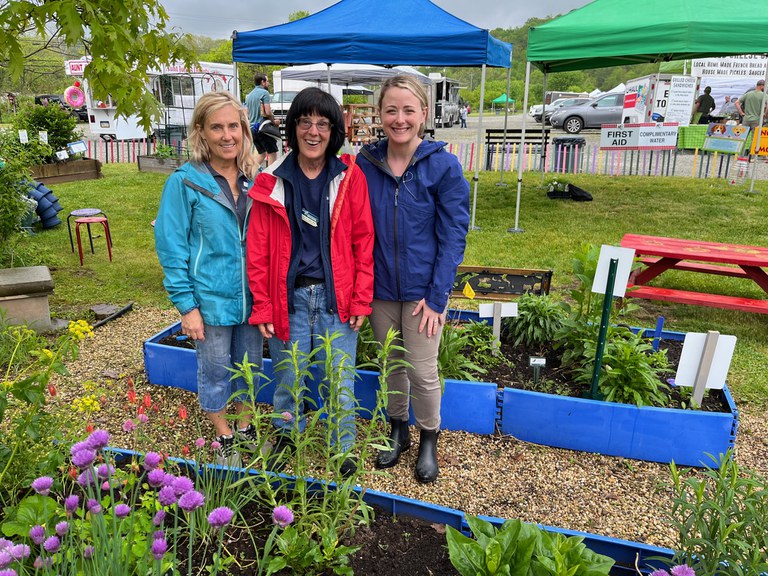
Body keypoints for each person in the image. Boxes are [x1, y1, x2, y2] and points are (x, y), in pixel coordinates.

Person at [246, 87, 374, 477]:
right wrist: (264, 306)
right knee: (289, 377)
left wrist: (361, 299)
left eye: (323, 123)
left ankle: (343, 447)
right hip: (291, 299)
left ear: (333, 130)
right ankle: (287, 437)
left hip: (338, 298)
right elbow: (258, 251)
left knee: (340, 381)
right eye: (305, 122)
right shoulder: (272, 181)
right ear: (293, 128)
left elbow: (364, 241)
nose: (313, 131)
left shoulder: (350, 177)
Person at [356, 76, 469, 484]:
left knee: (422, 369)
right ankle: (398, 430)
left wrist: (438, 297)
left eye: (408, 110)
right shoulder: (364, 164)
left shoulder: (443, 165)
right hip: (381, 289)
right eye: (391, 110)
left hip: (424, 292)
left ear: (424, 114)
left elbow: (454, 234)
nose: (399, 119)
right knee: (392, 365)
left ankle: (428, 438)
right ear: (379, 114)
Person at [155, 91, 262, 467]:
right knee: (215, 369)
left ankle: (245, 426)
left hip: (251, 299)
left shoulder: (256, 179)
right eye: (217, 127)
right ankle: (224, 434)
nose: (227, 135)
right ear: (200, 131)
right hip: (210, 299)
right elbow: (171, 247)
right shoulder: (186, 183)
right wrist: (187, 306)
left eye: (234, 125)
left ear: (244, 130)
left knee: (250, 367)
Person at [245, 73, 280, 166]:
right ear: (262, 82)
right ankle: (270, 177)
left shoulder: (249, 96)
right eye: (267, 81)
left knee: (262, 153)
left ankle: (249, 172)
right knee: (272, 153)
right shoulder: (265, 93)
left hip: (252, 128)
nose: (268, 83)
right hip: (263, 129)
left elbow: (246, 113)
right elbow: (268, 112)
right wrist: (274, 121)